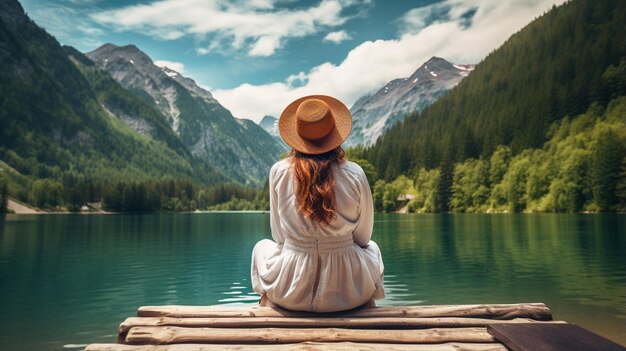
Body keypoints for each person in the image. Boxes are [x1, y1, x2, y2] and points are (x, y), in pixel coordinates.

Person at [251, 95, 385, 312]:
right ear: (334, 136)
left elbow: (279, 237)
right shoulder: (355, 173)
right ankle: (366, 307)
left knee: (261, 247)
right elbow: (363, 238)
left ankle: (269, 307)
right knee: (373, 249)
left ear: (297, 138)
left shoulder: (279, 171)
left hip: (290, 292)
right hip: (348, 295)